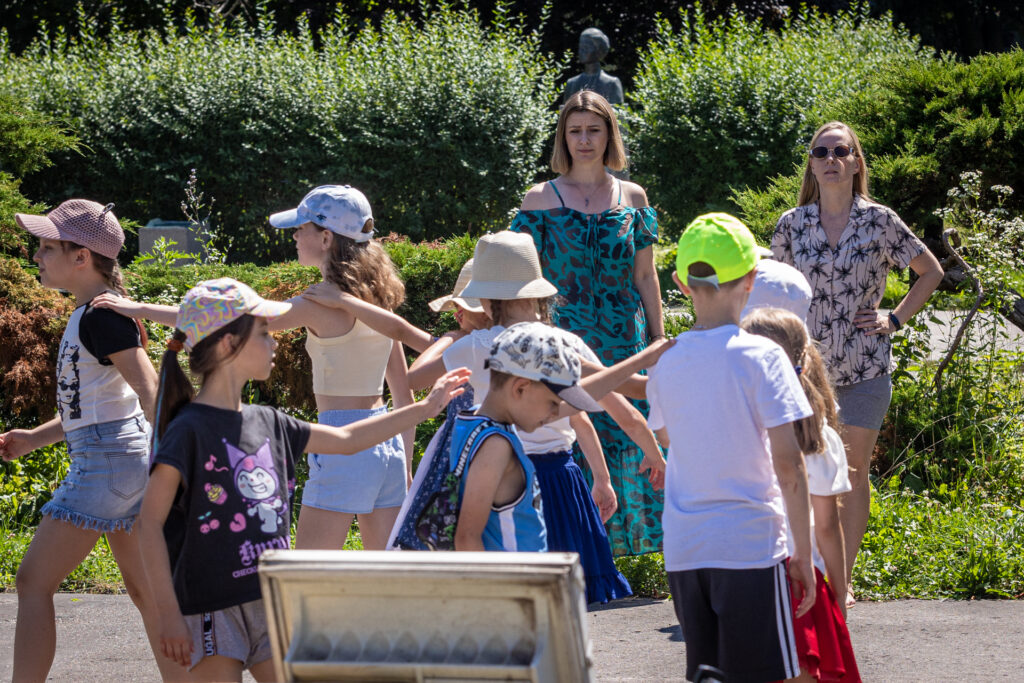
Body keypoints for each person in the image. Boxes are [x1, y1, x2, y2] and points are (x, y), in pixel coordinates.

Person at [136, 278, 469, 681]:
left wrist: (426, 408)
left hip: (271, 603)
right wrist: (168, 615)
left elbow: (347, 439)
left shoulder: (269, 421)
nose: (274, 342)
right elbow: (149, 524)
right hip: (210, 610)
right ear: (228, 346)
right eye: (263, 334)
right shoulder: (187, 430)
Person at [95, 184, 416, 551]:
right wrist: (403, 466)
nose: (294, 236)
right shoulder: (381, 303)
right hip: (387, 442)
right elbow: (403, 394)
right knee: (387, 577)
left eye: (301, 228)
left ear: (326, 238)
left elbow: (227, 317)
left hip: (343, 440)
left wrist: (140, 308)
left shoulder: (318, 303)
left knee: (305, 581)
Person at [0, 199, 182, 681]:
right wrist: (33, 439)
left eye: (46, 247)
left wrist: (181, 465)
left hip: (108, 466)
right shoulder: (93, 315)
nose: (36, 256)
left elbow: (150, 392)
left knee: (33, 582)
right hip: (124, 461)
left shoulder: (102, 317)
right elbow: (97, 410)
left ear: (82, 256)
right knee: (147, 593)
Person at [771, 121, 944, 606]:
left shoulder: (880, 221)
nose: (830, 158)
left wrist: (896, 316)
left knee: (852, 471)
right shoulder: (791, 225)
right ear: (810, 162)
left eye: (840, 150)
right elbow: (768, 288)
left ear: (856, 161)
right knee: (800, 471)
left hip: (865, 367)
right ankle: (805, 570)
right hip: (803, 372)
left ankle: (840, 582)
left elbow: (930, 271)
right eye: (820, 151)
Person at [648, 213, 816, 682]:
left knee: (708, 674)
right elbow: (790, 465)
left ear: (681, 283)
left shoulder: (667, 361)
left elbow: (667, 437)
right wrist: (801, 552)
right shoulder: (763, 357)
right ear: (751, 278)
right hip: (751, 546)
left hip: (685, 548)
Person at [511, 90, 666, 555]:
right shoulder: (539, 199)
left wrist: (657, 339)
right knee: (571, 431)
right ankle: (582, 546)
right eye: (575, 130)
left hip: (624, 336)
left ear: (609, 134)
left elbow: (645, 273)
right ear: (563, 136)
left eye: (593, 130)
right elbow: (525, 278)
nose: (584, 140)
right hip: (565, 338)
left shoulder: (632, 196)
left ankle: (634, 549)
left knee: (629, 429)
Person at [454, 321, 670, 553]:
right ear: (520, 388)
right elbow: (467, 537)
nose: (556, 413)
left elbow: (596, 393)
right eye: (553, 403)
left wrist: (642, 360)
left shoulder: (480, 422)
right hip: (511, 581)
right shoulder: (494, 445)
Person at [742, 308, 861, 682]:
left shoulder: (739, 429)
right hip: (802, 579)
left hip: (744, 570)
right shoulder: (818, 437)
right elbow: (827, 527)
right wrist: (840, 594)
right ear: (805, 361)